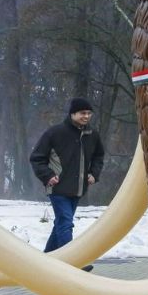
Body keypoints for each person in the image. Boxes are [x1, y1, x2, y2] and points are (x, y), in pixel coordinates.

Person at [29, 98, 105, 265]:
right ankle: (72, 264)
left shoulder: (92, 135)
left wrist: (94, 173)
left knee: (60, 225)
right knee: (65, 223)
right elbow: (36, 158)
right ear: (72, 114)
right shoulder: (55, 133)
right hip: (57, 188)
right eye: (82, 113)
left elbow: (99, 156)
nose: (86, 116)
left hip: (78, 189)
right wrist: (48, 175)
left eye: (89, 113)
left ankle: (46, 261)